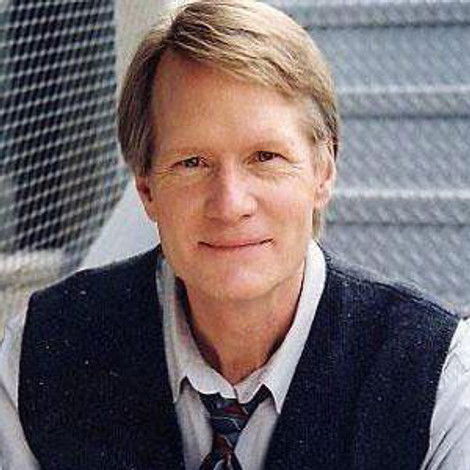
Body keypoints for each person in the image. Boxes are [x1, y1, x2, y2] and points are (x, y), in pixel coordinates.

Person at [1, 1, 469, 469]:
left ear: (323, 171)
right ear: (146, 189)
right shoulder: (40, 352)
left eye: (265, 157)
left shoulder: (438, 380)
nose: (230, 204)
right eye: (192, 163)